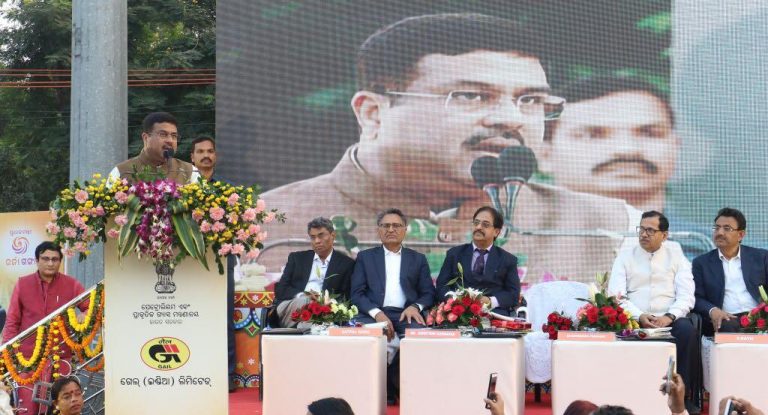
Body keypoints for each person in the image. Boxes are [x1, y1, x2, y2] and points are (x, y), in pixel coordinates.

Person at [260, 13, 641, 284]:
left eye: (530, 100)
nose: (510, 118)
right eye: (471, 95)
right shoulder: (260, 226)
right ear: (373, 113)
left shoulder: (611, 225)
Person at [543, 75, 678, 213]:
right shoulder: (521, 234)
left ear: (676, 147)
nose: (627, 149)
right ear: (545, 155)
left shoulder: (696, 235)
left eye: (650, 133)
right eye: (593, 135)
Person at [607, 211, 699, 413]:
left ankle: (683, 397)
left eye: (650, 230)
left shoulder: (676, 255)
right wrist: (638, 315)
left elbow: (687, 296)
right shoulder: (625, 256)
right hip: (635, 319)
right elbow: (616, 295)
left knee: (687, 331)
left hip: (669, 318)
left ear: (664, 235)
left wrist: (670, 316)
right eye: (641, 229)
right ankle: (626, 393)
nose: (644, 234)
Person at [350, 208, 435, 404]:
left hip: (406, 314)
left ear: (405, 230)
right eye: (385, 225)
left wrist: (416, 306)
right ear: (378, 230)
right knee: (369, 340)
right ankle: (380, 390)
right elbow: (356, 293)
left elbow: (429, 292)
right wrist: (377, 313)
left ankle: (392, 383)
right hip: (372, 314)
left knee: (420, 339)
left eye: (396, 225)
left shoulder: (418, 259)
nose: (391, 229)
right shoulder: (365, 257)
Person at [2, 242, 85, 415]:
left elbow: (92, 306)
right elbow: (12, 322)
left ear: (60, 262)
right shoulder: (23, 284)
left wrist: (84, 315)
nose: (50, 263)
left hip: (60, 357)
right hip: (27, 360)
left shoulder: (72, 284)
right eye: (45, 258)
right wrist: (5, 356)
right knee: (28, 408)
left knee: (62, 408)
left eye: (55, 259)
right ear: (37, 260)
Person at [692, 207, 768, 336]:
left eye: (727, 229)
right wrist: (713, 310)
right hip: (727, 318)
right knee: (726, 327)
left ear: (741, 235)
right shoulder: (701, 263)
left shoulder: (761, 257)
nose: (720, 232)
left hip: (760, 316)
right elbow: (696, 297)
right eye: (717, 228)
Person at [435, 206, 520, 314]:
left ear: (496, 232)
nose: (478, 227)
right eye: (476, 223)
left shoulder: (508, 260)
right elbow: (441, 287)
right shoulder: (454, 254)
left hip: (494, 315)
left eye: (485, 225)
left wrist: (490, 301)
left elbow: (513, 295)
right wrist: (456, 301)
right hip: (458, 315)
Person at [274, 217, 355, 328]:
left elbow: (347, 296)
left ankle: (308, 326)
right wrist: (303, 295)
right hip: (292, 308)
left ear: (333, 236)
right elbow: (281, 289)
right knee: (307, 302)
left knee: (311, 322)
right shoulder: (297, 259)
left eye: (321, 235)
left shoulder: (346, 264)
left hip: (324, 312)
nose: (317, 241)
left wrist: (327, 302)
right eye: (313, 237)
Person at [109, 112, 199, 184]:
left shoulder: (189, 171)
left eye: (174, 136)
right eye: (163, 134)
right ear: (146, 138)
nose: (170, 140)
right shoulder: (122, 171)